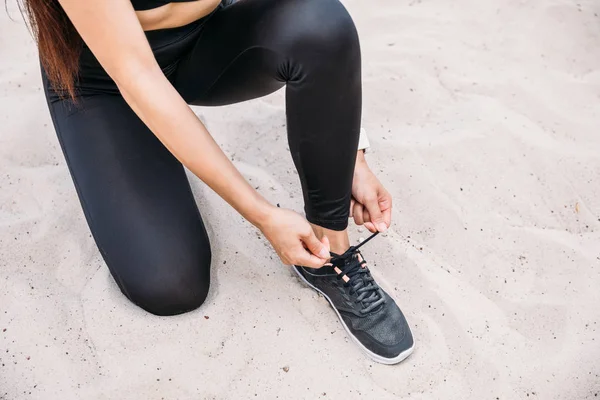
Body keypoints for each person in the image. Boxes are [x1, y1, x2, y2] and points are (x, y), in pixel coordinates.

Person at [21, 0, 414, 364]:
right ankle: (154, 148)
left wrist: (350, 158)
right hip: (103, 77)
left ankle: (332, 256)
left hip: (203, 43)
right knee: (171, 285)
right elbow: (137, 76)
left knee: (320, 23)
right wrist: (263, 215)